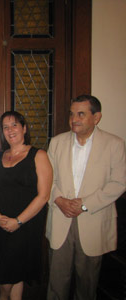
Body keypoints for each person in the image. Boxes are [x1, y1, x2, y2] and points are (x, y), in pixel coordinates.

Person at [46, 95, 126, 300]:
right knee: (56, 284)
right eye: (72, 114)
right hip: (60, 221)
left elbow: (119, 183)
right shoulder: (56, 143)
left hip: (93, 220)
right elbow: (47, 179)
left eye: (81, 114)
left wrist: (84, 204)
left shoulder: (114, 144)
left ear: (96, 117)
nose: (74, 119)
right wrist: (59, 200)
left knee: (87, 287)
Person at [0, 111, 52, 300]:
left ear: (24, 128)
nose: (10, 130)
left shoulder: (38, 155)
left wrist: (19, 221)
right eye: (5, 127)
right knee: (10, 274)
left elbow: (44, 195)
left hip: (26, 224)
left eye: (14, 125)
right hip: (2, 223)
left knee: (12, 273)